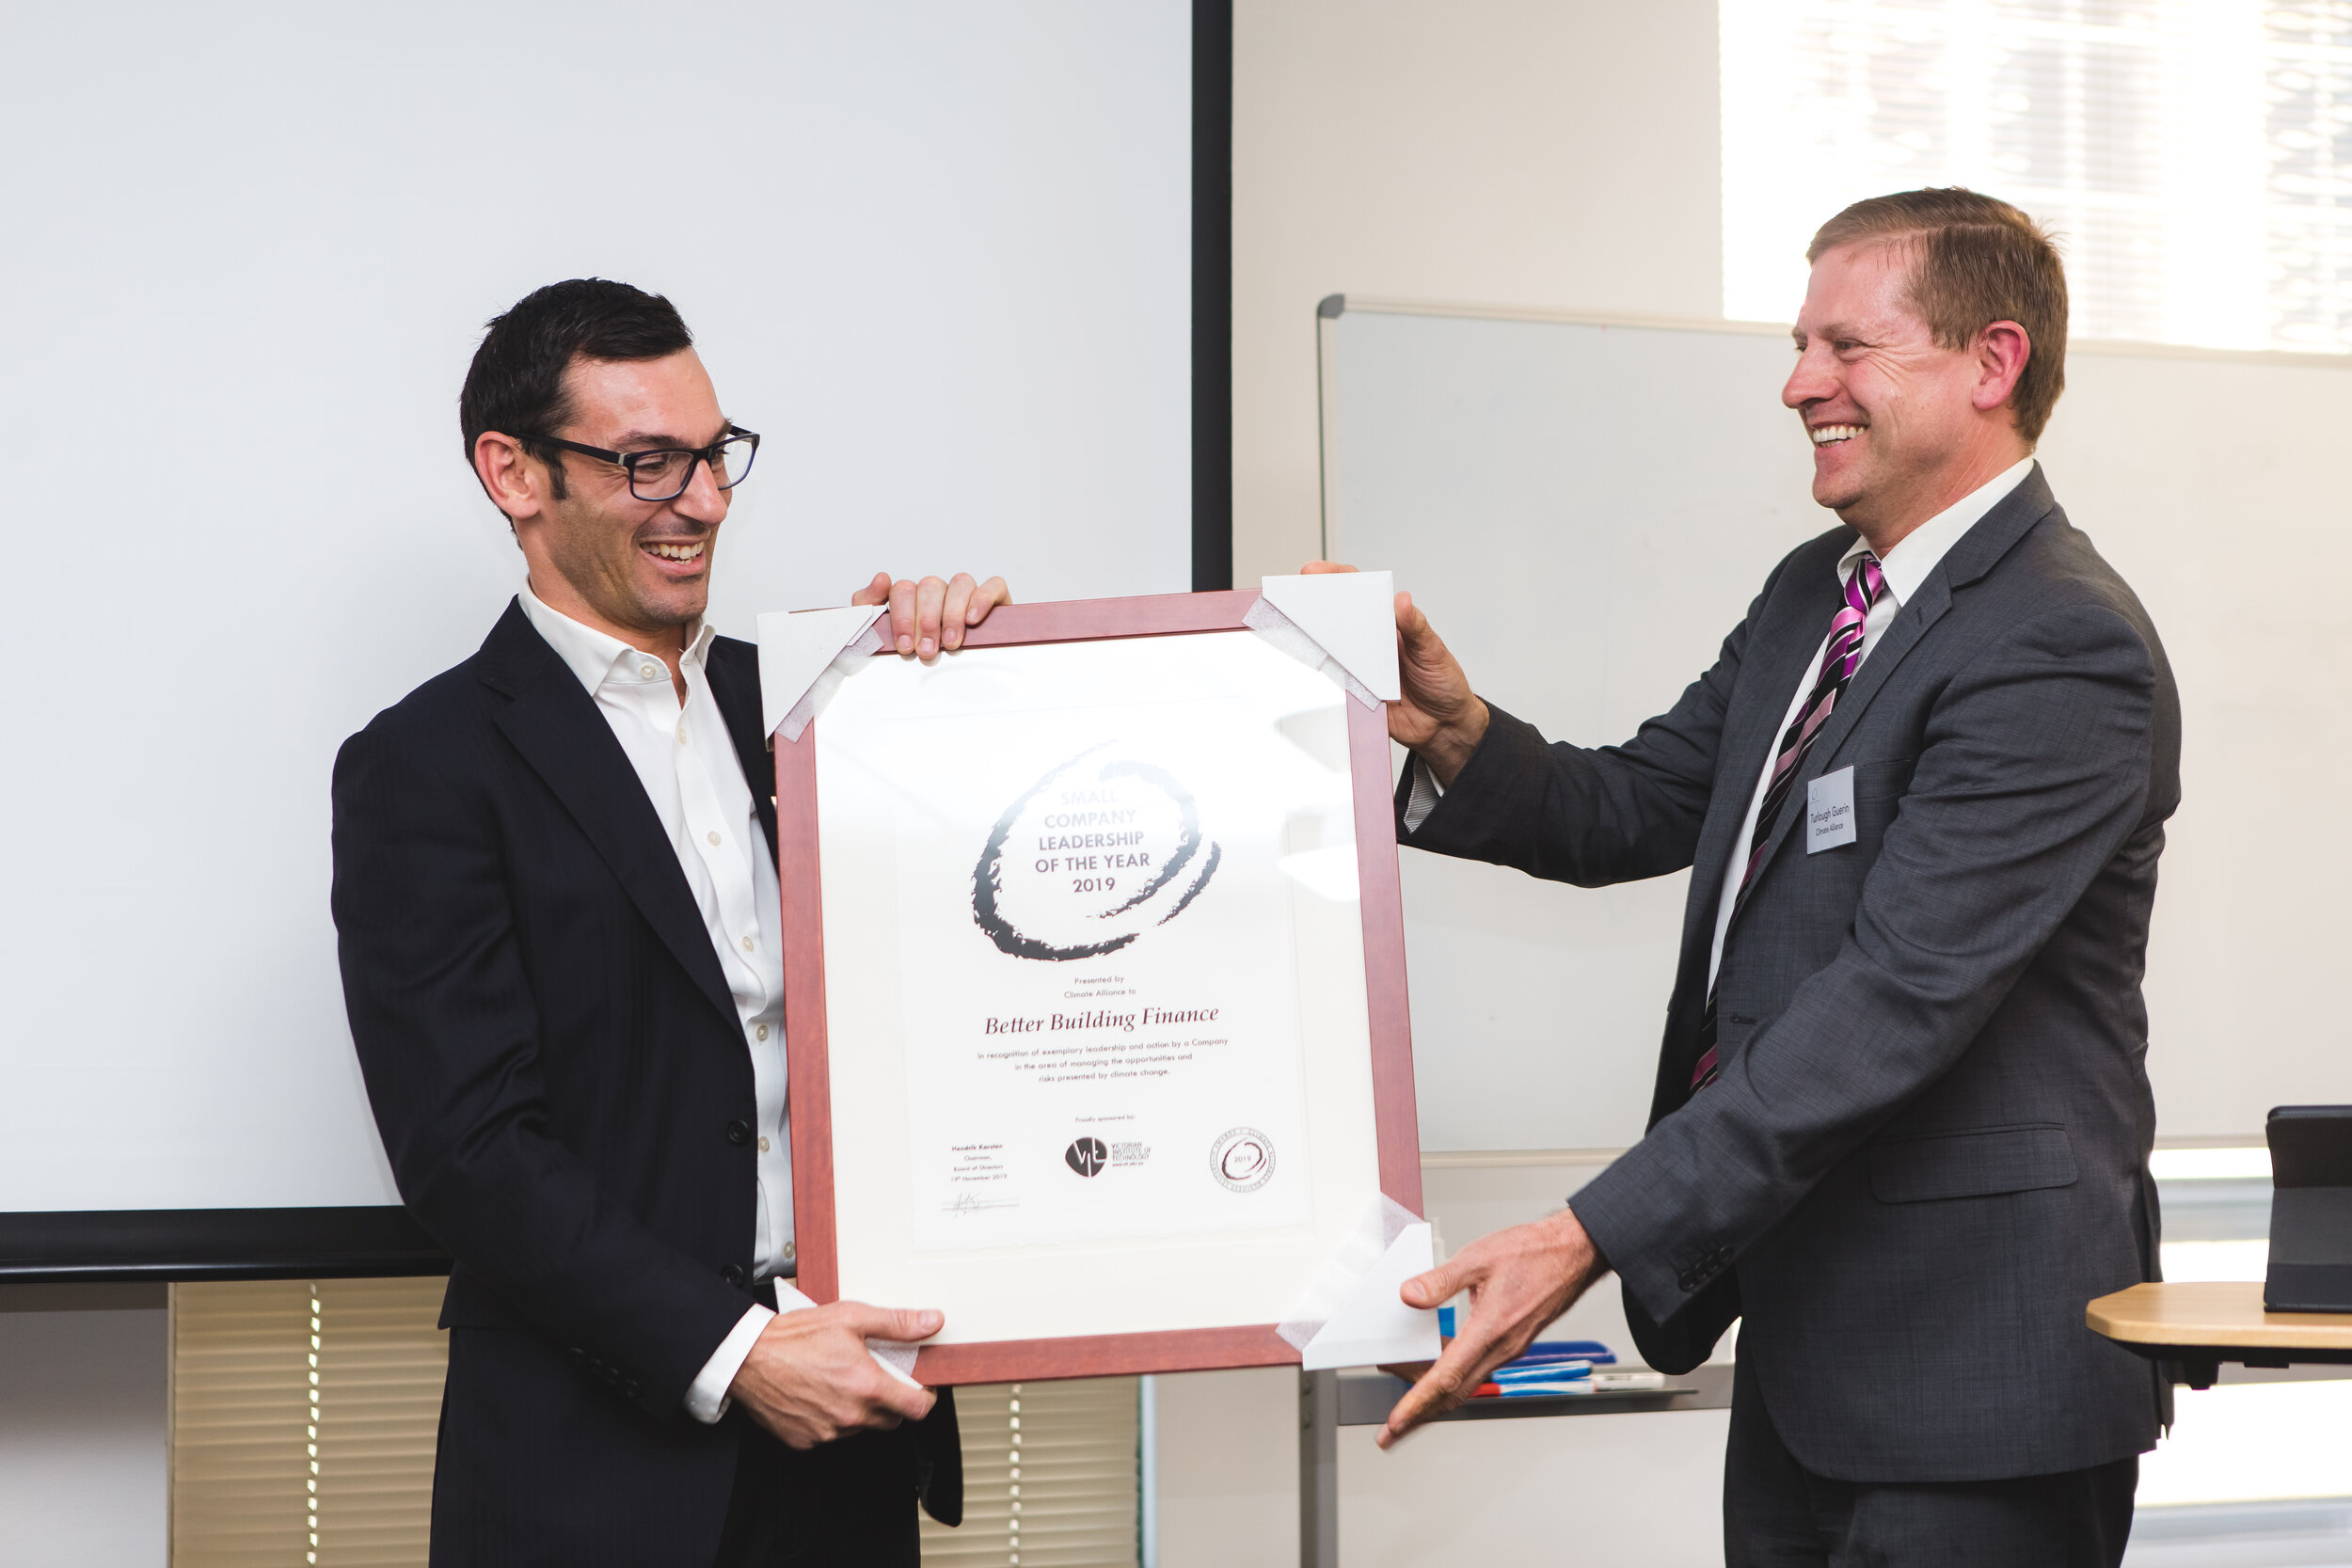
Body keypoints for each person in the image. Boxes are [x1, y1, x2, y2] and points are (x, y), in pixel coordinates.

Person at [1348, 190, 2181, 1564]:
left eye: (1846, 347)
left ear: (1992, 363)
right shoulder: (1819, 594)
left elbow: (1895, 1001)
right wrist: (1455, 732)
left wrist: (1583, 1235)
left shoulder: (2060, 646)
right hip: (1809, 1367)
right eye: (1801, 346)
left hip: (1979, 1382)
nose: (1800, 385)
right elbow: (1637, 804)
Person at [331, 278, 1010, 1567]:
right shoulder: (426, 765)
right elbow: (467, 1148)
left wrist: (955, 691)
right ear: (515, 474)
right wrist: (741, 1351)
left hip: (849, 1440)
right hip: (590, 1475)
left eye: (714, 456)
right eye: (648, 462)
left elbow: (981, 968)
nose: (703, 501)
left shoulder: (826, 713)